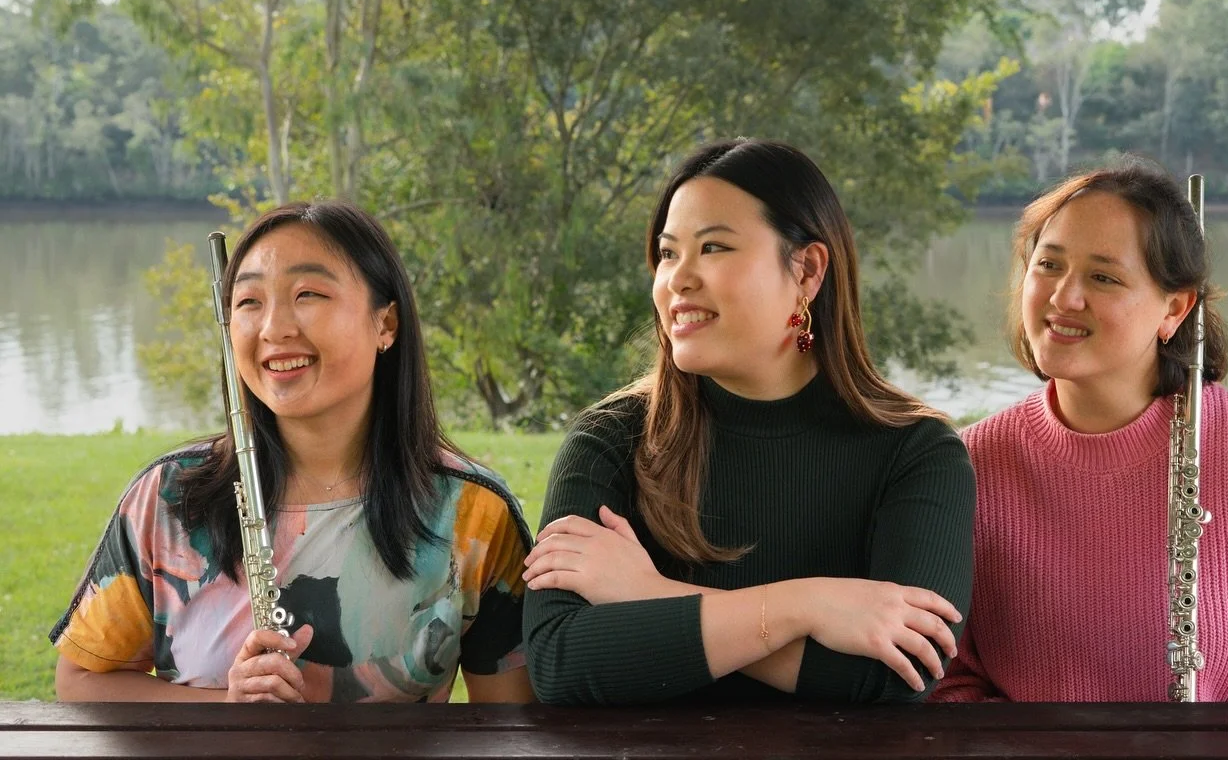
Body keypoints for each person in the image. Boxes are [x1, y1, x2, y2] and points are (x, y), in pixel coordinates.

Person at [521, 138, 976, 705]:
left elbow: (894, 677)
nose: (677, 279)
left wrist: (648, 595)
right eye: (667, 253)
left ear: (807, 270)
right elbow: (561, 663)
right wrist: (804, 607)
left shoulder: (915, 451)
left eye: (712, 247)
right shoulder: (611, 439)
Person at [933, 158, 1228, 702]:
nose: (1063, 298)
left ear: (1174, 308)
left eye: (1103, 276)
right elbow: (942, 678)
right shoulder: (967, 463)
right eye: (1048, 265)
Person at [52, 200, 534, 703]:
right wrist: (229, 709)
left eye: (308, 294)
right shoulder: (170, 497)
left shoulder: (474, 513)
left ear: (386, 324)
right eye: (248, 302)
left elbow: (511, 724)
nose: (273, 329)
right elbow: (82, 682)